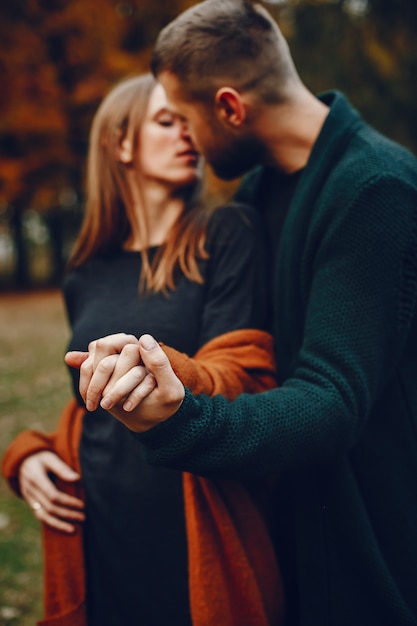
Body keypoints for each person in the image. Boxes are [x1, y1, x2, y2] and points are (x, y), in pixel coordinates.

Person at [66, 1, 417, 626]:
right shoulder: (263, 190)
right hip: (288, 531)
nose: (188, 142)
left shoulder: (377, 190)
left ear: (229, 107)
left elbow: (329, 400)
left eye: (187, 119)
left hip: (369, 549)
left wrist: (180, 417)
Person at [2, 73, 284, 626]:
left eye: (190, 122)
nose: (188, 134)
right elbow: (88, 401)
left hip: (192, 524)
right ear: (120, 143)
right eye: (165, 121)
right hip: (100, 528)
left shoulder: (226, 233)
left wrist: (159, 368)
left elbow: (242, 375)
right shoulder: (86, 269)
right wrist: (33, 453)